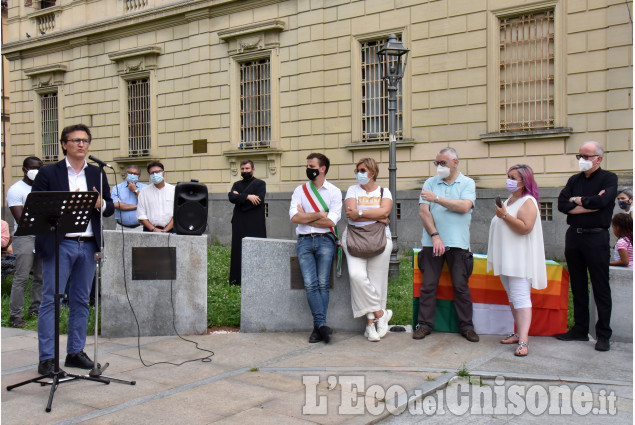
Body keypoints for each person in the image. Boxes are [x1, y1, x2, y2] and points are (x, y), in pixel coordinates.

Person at [32, 123, 114, 375]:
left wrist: (101, 203)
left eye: (85, 140)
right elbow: (36, 206)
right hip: (60, 243)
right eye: (76, 140)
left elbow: (110, 207)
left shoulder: (97, 173)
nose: (81, 144)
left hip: (88, 244)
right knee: (51, 300)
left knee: (81, 300)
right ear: (64, 144)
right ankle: (47, 358)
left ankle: (75, 352)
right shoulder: (49, 173)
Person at [556, 141, 617, 352]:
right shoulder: (574, 180)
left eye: (586, 156)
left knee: (600, 286)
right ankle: (580, 329)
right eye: (579, 156)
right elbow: (562, 204)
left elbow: (603, 203)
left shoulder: (609, 178)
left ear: (598, 159)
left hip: (596, 238)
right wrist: (585, 203)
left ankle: (603, 334)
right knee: (578, 285)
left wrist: (578, 202)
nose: (582, 160)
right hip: (574, 237)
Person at [414, 147, 479, 343]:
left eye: (443, 163)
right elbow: (424, 212)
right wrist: (435, 236)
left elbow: (464, 206)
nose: (439, 167)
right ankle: (424, 325)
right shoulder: (430, 182)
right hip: (431, 242)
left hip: (458, 243)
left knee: (460, 287)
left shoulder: (467, 183)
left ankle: (467, 326)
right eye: (437, 163)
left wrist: (438, 199)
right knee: (428, 286)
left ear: (455, 163)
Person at [487, 164, 547, 357]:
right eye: (508, 176)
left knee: (521, 298)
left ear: (524, 181)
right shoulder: (512, 199)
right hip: (507, 258)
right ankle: (517, 332)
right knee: (513, 298)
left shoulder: (527, 201)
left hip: (519, 259)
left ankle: (523, 341)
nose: (509, 180)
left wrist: (504, 215)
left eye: (513, 177)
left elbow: (525, 227)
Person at [289, 153, 342, 344]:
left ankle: (317, 327)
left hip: (325, 240)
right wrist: (319, 213)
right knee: (310, 284)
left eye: (312, 166)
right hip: (304, 241)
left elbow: (331, 221)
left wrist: (308, 216)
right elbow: (295, 218)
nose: (308, 168)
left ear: (322, 169)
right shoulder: (300, 190)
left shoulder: (334, 192)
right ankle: (321, 326)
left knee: (322, 284)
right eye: (307, 165)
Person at [342, 158, 393, 342]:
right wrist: (377, 216)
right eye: (357, 170)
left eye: (362, 170)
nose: (359, 173)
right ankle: (381, 313)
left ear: (372, 172)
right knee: (357, 276)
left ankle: (370, 325)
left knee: (376, 281)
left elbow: (385, 212)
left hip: (380, 239)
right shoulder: (352, 190)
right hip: (355, 238)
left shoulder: (384, 191)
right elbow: (350, 214)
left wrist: (362, 213)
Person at [6, 156, 44, 327]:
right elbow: (21, 218)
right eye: (33, 167)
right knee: (21, 277)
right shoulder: (16, 190)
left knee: (41, 276)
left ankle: (35, 309)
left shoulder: (43, 187)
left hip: (42, 236)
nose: (36, 171)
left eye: (39, 167)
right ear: (24, 169)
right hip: (25, 236)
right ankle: (15, 315)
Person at [228, 160, 266, 285]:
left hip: (255, 223)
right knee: (238, 249)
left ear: (253, 170)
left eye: (247, 168)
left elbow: (258, 201)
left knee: (256, 249)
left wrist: (240, 197)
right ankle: (237, 279)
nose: (244, 171)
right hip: (239, 222)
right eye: (243, 169)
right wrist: (248, 197)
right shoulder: (236, 184)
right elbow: (231, 197)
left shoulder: (260, 184)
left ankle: (256, 278)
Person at [136, 161, 175, 233]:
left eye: (157, 172)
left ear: (163, 173)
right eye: (152, 173)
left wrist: (166, 229)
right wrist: (154, 229)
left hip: (171, 230)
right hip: (150, 231)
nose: (155, 175)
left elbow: (177, 213)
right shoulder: (144, 192)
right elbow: (141, 215)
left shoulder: (173, 190)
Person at [112, 165, 146, 232]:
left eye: (135, 174)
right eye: (130, 173)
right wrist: (138, 206)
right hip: (121, 227)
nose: (132, 175)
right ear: (125, 174)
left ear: (139, 176)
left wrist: (135, 190)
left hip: (139, 227)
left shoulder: (144, 188)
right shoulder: (117, 188)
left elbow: (145, 203)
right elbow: (116, 205)